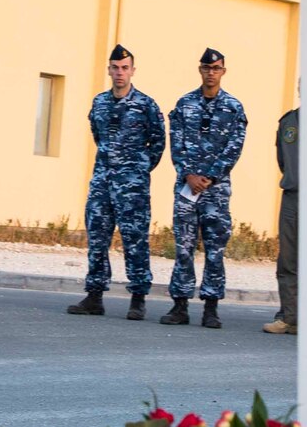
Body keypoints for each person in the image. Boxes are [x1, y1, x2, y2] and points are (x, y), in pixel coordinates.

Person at [66, 43, 165, 320]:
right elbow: (98, 135)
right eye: (115, 68)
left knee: (135, 240)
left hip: (132, 186)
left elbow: (158, 142)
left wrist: (139, 169)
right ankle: (95, 296)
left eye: (125, 68)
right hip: (102, 182)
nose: (120, 73)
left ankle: (138, 298)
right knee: (97, 238)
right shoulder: (99, 102)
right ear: (109, 70)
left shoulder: (146, 105)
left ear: (133, 71)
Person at [160, 47, 247, 329]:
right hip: (187, 187)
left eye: (216, 69)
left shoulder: (234, 107)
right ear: (200, 70)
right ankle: (180, 305)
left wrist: (209, 176)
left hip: (216, 190)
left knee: (214, 249)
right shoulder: (185, 104)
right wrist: (188, 174)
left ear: (223, 72)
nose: (211, 73)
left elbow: (234, 147)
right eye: (207, 68)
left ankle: (211, 308)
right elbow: (176, 142)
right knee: (183, 247)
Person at [265, 97, 299, 335]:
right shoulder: (289, 122)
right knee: (287, 260)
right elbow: (282, 160)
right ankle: (290, 316)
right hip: (293, 196)